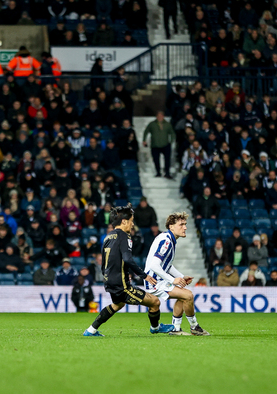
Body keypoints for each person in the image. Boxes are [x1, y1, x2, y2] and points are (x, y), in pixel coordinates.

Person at [83, 203, 171, 337]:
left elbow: (107, 261)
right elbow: (128, 259)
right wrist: (144, 275)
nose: (132, 224)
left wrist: (117, 274)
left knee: (117, 305)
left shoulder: (108, 236)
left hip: (109, 281)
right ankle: (156, 327)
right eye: (131, 221)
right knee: (155, 302)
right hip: (121, 285)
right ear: (124, 221)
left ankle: (91, 330)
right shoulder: (125, 236)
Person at [144, 211, 210, 336]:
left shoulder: (169, 239)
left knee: (183, 295)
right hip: (155, 281)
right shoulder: (167, 241)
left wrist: (180, 276)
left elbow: (166, 265)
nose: (185, 227)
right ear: (171, 226)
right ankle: (194, 327)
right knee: (188, 295)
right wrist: (172, 280)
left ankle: (176, 328)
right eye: (181, 225)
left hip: (157, 279)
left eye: (185, 224)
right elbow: (154, 265)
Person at [142, 111, 176, 179]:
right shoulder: (152, 124)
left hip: (165, 144)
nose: (159, 117)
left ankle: (167, 173)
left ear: (163, 116)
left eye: (161, 116)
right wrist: (144, 140)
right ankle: (158, 172)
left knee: (167, 159)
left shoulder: (167, 124)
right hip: (155, 145)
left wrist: (171, 141)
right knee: (156, 159)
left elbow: (172, 133)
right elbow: (146, 131)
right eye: (158, 116)